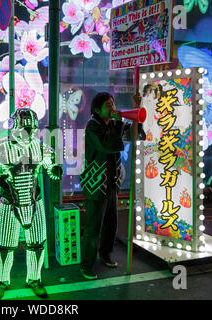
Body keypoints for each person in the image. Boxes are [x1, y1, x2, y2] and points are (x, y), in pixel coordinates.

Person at [0, 108, 62, 300]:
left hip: (35, 202)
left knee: (37, 244)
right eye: (25, 127)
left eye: (32, 128)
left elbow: (51, 166)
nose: (29, 132)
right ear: (15, 126)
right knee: (5, 246)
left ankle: (35, 278)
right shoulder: (0, 147)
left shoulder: (39, 147)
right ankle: (1, 280)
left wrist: (54, 169)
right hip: (8, 202)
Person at [80, 92, 145, 280]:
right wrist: (118, 123)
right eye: (108, 105)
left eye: (113, 104)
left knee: (111, 224)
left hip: (111, 183)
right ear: (97, 109)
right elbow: (109, 145)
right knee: (93, 228)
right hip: (96, 184)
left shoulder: (114, 124)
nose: (113, 108)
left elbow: (137, 136)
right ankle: (86, 265)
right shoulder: (93, 126)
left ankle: (105, 254)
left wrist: (137, 111)